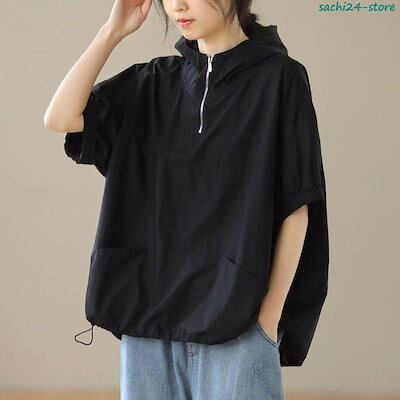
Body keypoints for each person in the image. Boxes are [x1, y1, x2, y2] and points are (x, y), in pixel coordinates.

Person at [44, 0, 329, 399]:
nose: (177, 5)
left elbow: (297, 205)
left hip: (237, 323)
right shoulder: (152, 82)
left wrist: (268, 318)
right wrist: (111, 32)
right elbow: (59, 118)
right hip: (149, 323)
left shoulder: (281, 79)